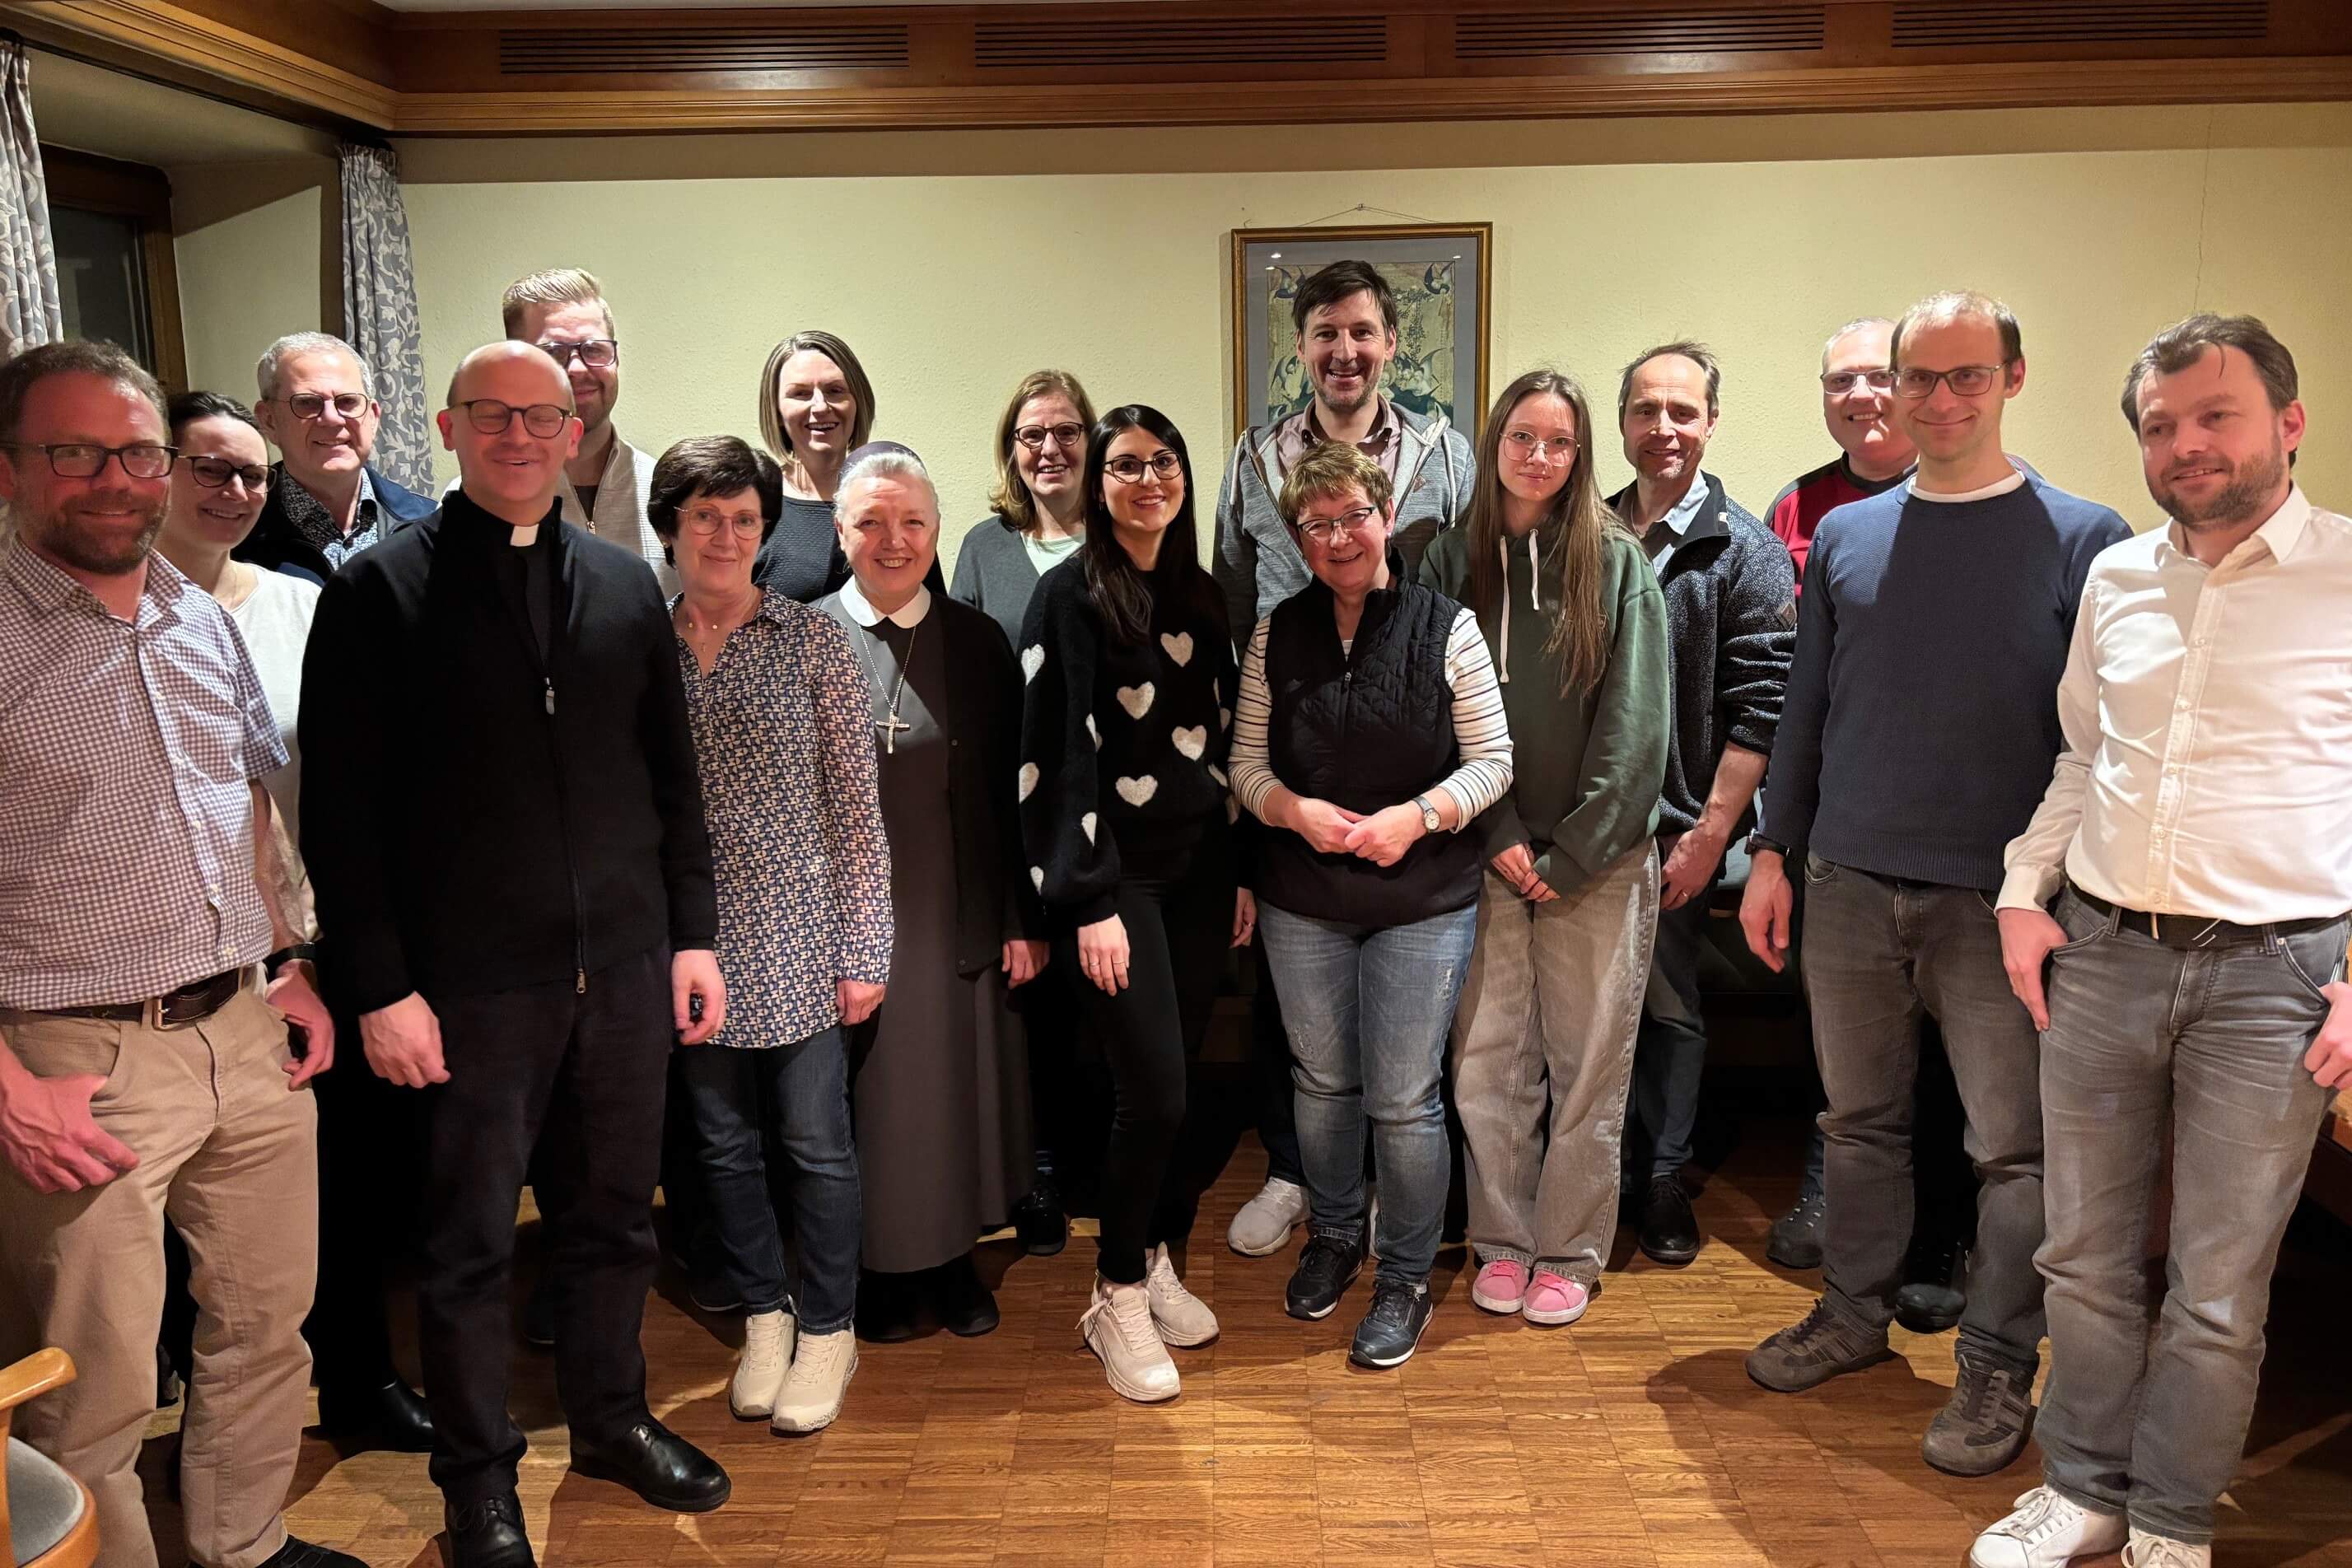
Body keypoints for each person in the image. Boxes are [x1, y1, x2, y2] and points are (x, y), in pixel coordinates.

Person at [301, 342, 730, 1568]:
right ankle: (478, 1481)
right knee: (469, 1244)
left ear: (572, 430)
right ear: (447, 427)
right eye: (493, 415)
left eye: (544, 417)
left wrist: (692, 936)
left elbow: (672, 782)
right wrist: (380, 987)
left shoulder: (625, 585)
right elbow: (341, 817)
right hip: (468, 987)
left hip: (626, 967)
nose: (521, 436)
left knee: (615, 1221)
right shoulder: (378, 593)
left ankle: (609, 1420)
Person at [1968, 314, 2352, 1568]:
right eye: (2160, 424)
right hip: (2104, 953)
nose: (2186, 443)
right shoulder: (2120, 578)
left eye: (2214, 415)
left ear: (2288, 423)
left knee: (2219, 1286)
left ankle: (2173, 1523)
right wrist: (2023, 888)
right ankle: (2082, 1490)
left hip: (2278, 976)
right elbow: (2085, 756)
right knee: (2083, 1257)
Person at [1738, 291, 2132, 1480]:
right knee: (1856, 1124)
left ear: (2014, 377)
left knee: (2012, 1151)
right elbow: (1808, 705)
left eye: (1968, 375)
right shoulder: (1848, 537)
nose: (1942, 398)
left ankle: (1998, 1363)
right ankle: (1852, 1316)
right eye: (1923, 376)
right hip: (1849, 880)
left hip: (2000, 904)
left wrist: (2053, 891)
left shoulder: (2085, 537)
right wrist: (1774, 851)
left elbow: (2100, 740)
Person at [0, 340, 355, 1568]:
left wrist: (290, 961)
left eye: (137, 453)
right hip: (74, 1060)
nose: (114, 478)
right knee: (91, 1388)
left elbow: (246, 806)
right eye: (75, 452)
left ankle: (242, 1545)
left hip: (243, 1031)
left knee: (266, 1333)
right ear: (12, 468)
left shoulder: (198, 617)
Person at [153, 391, 437, 1454]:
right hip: (175, 950)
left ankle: (360, 1380)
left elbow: (359, 771)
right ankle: (202, 1417)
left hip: (310, 932)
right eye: (207, 468)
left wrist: (319, 938)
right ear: (160, 473)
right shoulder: (114, 613)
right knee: (195, 1201)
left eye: (249, 474)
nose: (233, 491)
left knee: (339, 1176)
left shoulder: (300, 604)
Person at [1211, 259, 1477, 1257]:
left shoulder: (1445, 457)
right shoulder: (1253, 459)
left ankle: (1392, 1199)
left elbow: (1461, 592)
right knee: (1299, 1023)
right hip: (1291, 766)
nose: (1345, 350)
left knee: (1406, 1051)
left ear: (1392, 343)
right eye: (1326, 333)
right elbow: (1233, 597)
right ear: (1302, 347)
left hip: (1410, 763)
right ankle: (1299, 1173)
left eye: (1363, 331)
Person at [1231, 441, 1511, 1366]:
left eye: (1355, 515)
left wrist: (1417, 817)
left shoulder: (1448, 627)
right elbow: (1245, 764)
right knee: (1321, 1083)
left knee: (1402, 1098)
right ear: (1299, 539)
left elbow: (1494, 762)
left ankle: (1404, 1275)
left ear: (1387, 518)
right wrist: (1291, 809)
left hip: (1420, 896)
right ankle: (1335, 1235)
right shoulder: (1277, 631)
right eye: (1317, 524)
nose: (1340, 537)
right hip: (1303, 896)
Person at [1420, 368, 1671, 1331]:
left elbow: (1636, 728)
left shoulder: (1617, 563)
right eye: (1522, 437)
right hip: (1484, 854)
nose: (1539, 456)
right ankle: (1501, 1237)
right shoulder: (1449, 559)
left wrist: (1569, 854)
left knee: (1588, 1064)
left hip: (1596, 863)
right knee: (1487, 1061)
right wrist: (1498, 835)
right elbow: (1429, 711)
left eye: (1559, 442)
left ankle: (1568, 1249)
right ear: (1493, 445)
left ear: (1581, 455)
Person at [655, 434, 889, 1438]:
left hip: (802, 931)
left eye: (744, 517)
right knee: (719, 1143)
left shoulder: (811, 640)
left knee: (815, 1143)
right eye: (705, 515)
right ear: (670, 526)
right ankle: (765, 1312)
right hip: (688, 939)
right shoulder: (640, 645)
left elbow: (856, 808)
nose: (725, 534)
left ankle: (829, 1325)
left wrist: (865, 947)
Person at [1019, 404, 1253, 1403]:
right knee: (1150, 1092)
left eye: (1164, 462)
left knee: (1184, 1085)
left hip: (1201, 875)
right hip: (1119, 884)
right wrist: (1088, 899)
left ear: (1184, 477)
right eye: (1125, 464)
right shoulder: (1069, 597)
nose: (1147, 479)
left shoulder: (1203, 594)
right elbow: (1056, 754)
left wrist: (1242, 869)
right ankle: (1113, 1290)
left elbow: (1227, 736)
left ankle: (1155, 1253)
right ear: (1098, 480)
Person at [820, 443, 1046, 1343]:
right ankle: (876, 1269)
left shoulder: (977, 641)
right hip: (847, 923)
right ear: (839, 531)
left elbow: (1011, 795)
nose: (894, 539)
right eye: (872, 521)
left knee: (957, 1092)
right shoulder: (801, 635)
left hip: (957, 906)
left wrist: (1021, 918)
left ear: (938, 530)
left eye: (913, 521)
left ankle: (954, 1264)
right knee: (873, 1101)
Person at [1605, 341, 1795, 1267]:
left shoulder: (1747, 551)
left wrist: (1710, 834)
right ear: (1622, 422)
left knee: (1669, 1009)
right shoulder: (1588, 534)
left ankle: (1662, 1175)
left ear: (1711, 421)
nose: (1665, 427)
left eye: (1683, 410)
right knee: (1587, 1013)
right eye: (1647, 409)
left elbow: (1765, 706)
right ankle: (1596, 1171)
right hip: (1585, 829)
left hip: (1679, 833)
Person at [950, 368, 1101, 1254]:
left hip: (1104, 814)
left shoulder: (1123, 534)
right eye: (1031, 434)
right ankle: (1039, 1171)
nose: (1050, 448)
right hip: (1012, 813)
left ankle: (1096, 1163)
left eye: (1067, 431)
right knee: (1032, 1000)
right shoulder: (984, 546)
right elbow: (964, 677)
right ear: (1011, 448)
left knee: (1102, 998)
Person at [503, 267, 674, 594]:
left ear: (616, 359)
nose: (578, 369)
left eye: (594, 349)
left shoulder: (670, 494)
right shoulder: (477, 501)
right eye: (553, 353)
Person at [750, 329, 943, 605]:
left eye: (835, 391)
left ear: (857, 403)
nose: (820, 406)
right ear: (777, 411)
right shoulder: (753, 505)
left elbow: (931, 609)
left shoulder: (895, 496)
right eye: (801, 394)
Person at [236, 331, 434, 585]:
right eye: (307, 403)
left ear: (373, 418)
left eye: (347, 402)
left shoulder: (430, 524)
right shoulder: (233, 534)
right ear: (269, 420)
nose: (331, 419)